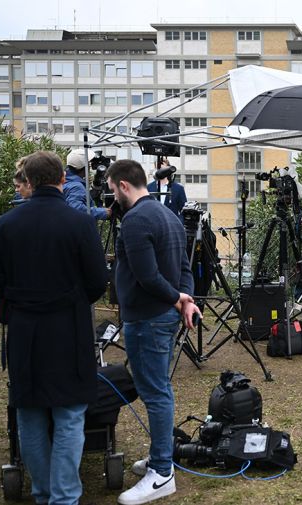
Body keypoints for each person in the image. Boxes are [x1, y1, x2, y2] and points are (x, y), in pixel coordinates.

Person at [0, 151, 108, 505]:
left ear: (30, 181)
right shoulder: (80, 223)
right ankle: (65, 496)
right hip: (68, 330)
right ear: (62, 180)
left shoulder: (5, 225)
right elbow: (98, 282)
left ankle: (42, 494)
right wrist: (70, 300)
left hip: (24, 330)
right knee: (69, 414)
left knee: (31, 413)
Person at [106, 159, 200, 504]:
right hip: (164, 316)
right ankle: (161, 455)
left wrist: (178, 298)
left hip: (148, 318)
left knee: (156, 393)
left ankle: (162, 473)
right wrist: (185, 301)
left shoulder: (135, 220)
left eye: (112, 188)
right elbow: (185, 269)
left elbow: (148, 277)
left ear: (123, 186)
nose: (111, 195)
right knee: (160, 389)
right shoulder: (169, 216)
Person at [64, 148, 111, 220]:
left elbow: (79, 200)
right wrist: (102, 212)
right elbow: (76, 209)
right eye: (88, 164)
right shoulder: (76, 186)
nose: (90, 167)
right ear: (84, 167)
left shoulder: (67, 181)